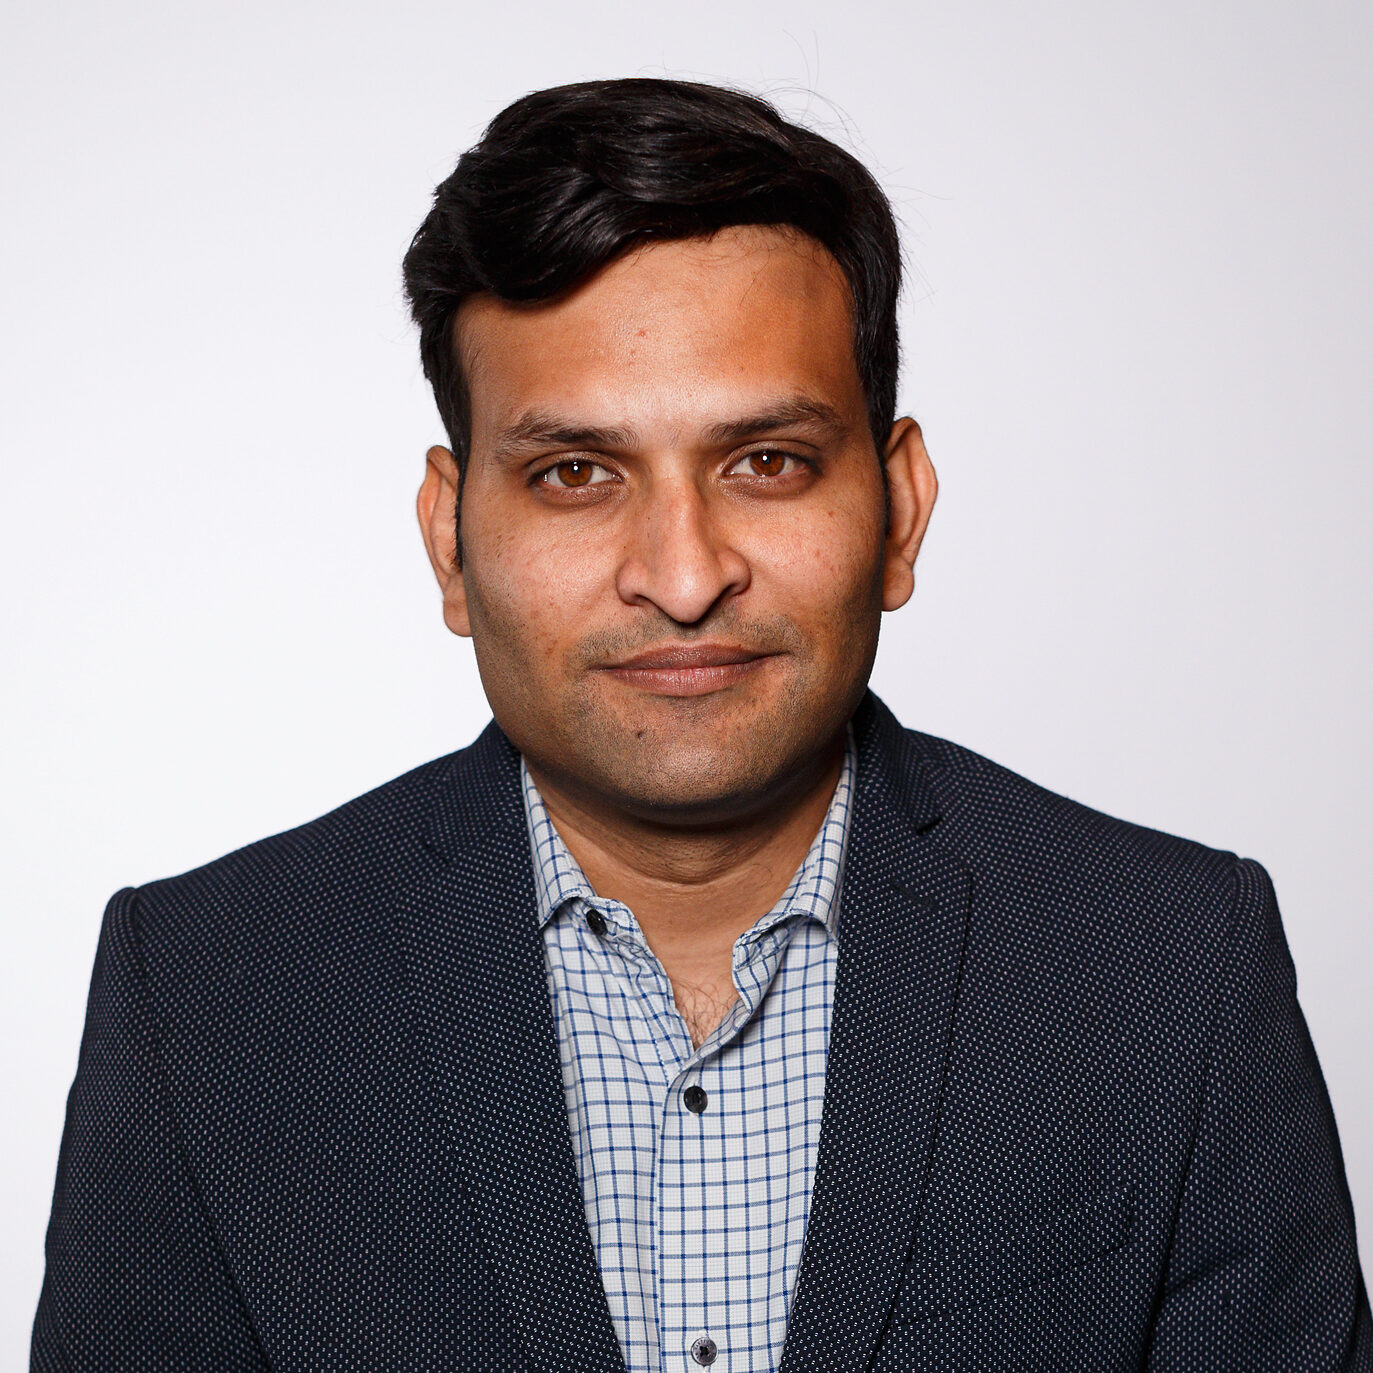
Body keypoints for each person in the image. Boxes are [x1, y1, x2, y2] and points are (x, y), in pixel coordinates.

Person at [31, 77, 1370, 1373]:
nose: (682, 576)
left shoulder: (1170, 968)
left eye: (766, 462)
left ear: (898, 511)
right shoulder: (206, 996)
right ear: (449, 538)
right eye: (572, 473)